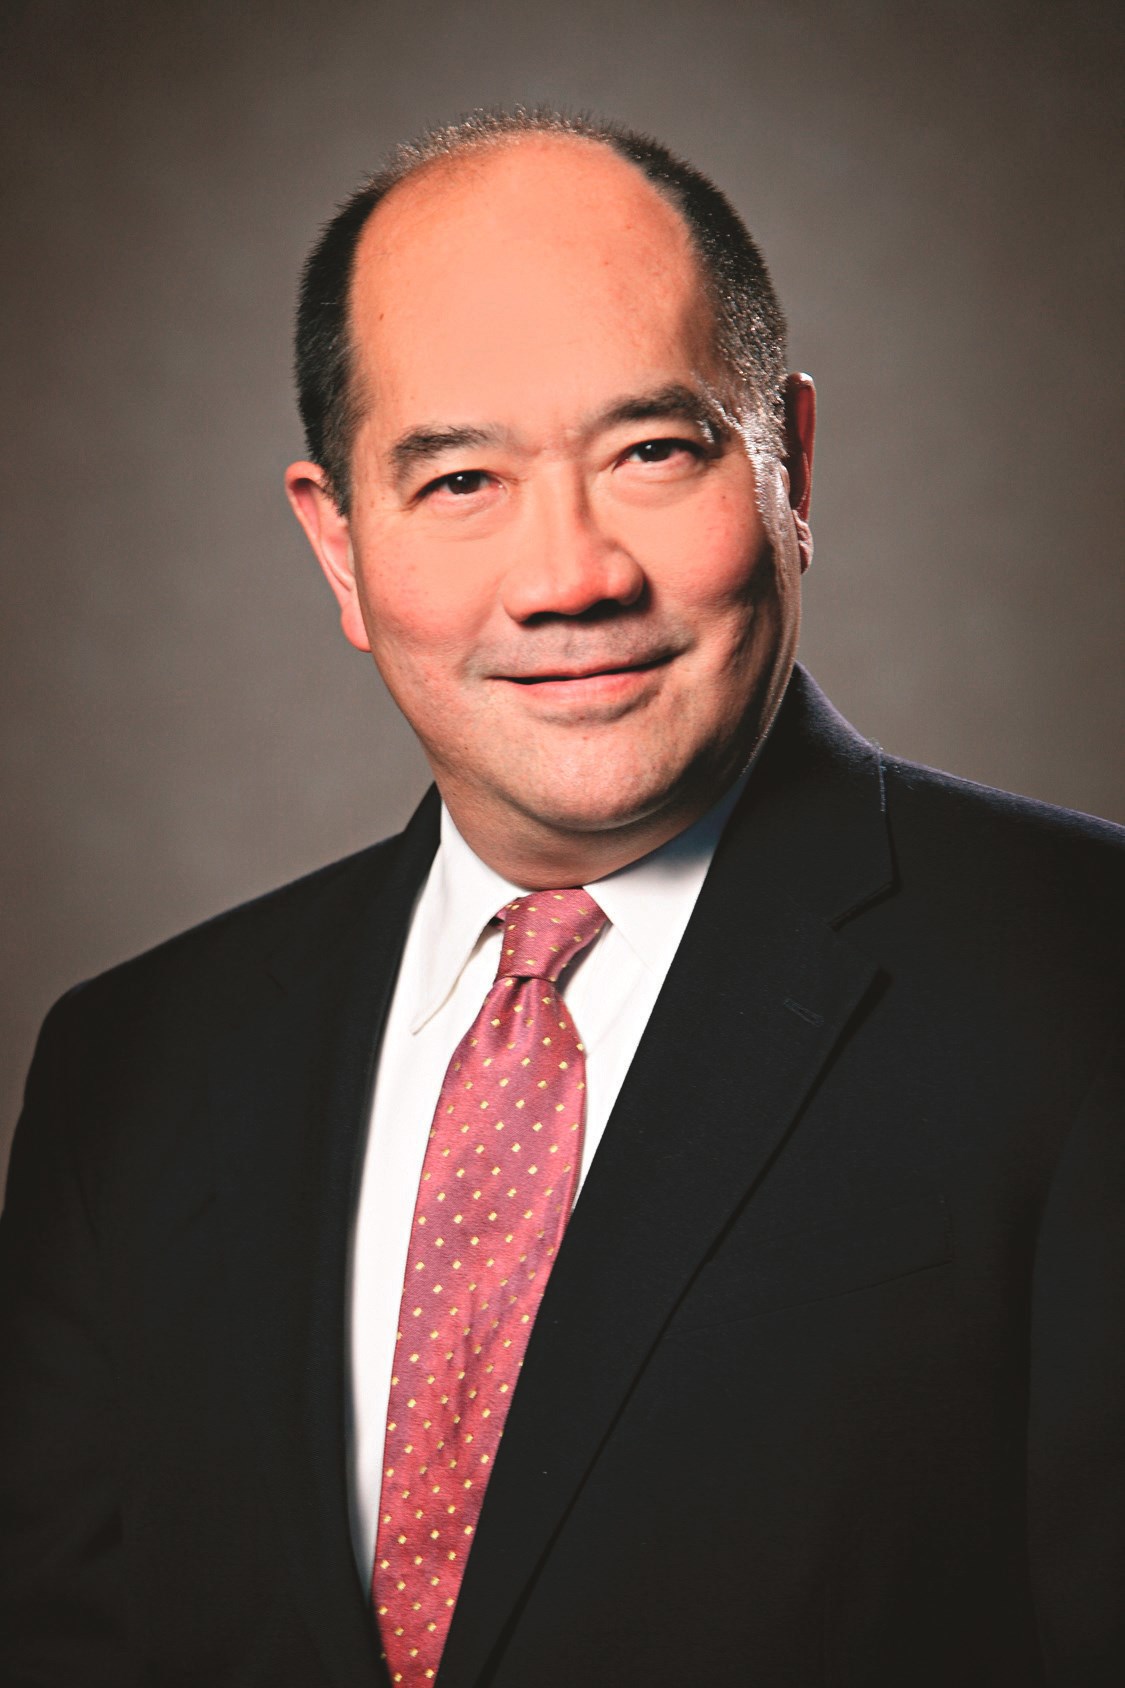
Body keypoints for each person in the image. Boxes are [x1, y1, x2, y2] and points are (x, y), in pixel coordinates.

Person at [1, 109, 1121, 1688]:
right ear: (338, 547)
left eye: (651, 452)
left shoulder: (1081, 977)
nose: (569, 576)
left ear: (791, 464)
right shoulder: (130, 1068)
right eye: (460, 479)